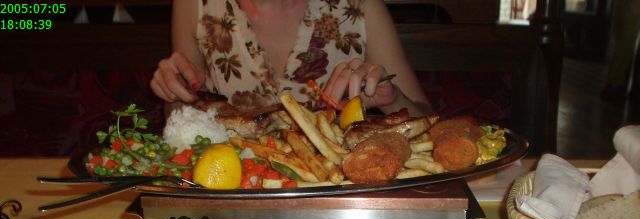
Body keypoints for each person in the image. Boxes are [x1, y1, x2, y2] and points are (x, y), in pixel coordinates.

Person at [150, 0, 433, 116]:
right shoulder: (194, 4)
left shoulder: (359, 6)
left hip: (330, 201)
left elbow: (427, 121)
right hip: (229, 196)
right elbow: (181, 120)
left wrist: (392, 100)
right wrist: (173, 90)